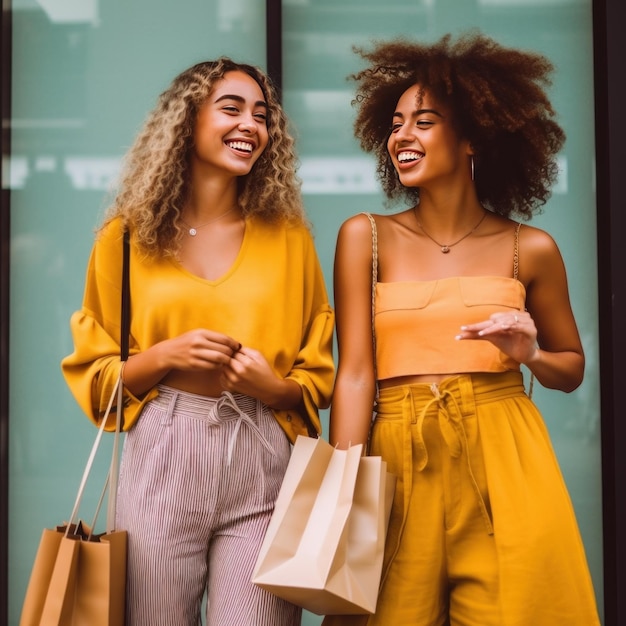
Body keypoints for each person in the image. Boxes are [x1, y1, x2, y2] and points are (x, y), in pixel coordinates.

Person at [323, 33, 600, 625]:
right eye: (396, 124)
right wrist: (342, 488)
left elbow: (570, 369)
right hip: (397, 457)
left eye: (424, 121)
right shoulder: (364, 238)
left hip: (505, 455)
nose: (403, 136)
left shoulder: (532, 249)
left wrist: (529, 353)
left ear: (473, 135)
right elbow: (354, 377)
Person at [61, 58, 335, 626]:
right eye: (231, 109)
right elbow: (96, 377)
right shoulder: (126, 238)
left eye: (261, 116)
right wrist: (163, 358)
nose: (250, 126)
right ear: (186, 122)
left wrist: (276, 388)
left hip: (263, 453)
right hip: (163, 449)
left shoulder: (288, 237)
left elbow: (318, 371)